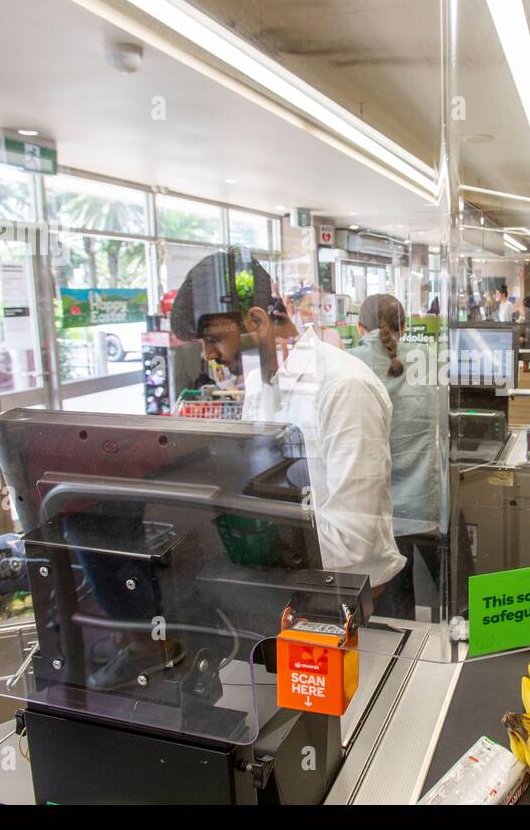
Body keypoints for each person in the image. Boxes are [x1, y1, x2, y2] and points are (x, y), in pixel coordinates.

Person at [173, 252, 405, 593]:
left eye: (213, 339)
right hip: (286, 581)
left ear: (257, 321)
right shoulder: (257, 385)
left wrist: (256, 546)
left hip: (348, 592)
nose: (208, 355)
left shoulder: (344, 387)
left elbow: (354, 536)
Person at [350, 294, 445, 617]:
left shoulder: (348, 363)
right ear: (405, 328)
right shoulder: (429, 357)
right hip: (428, 503)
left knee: (395, 610)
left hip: (379, 511)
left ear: (360, 327)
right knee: (453, 603)